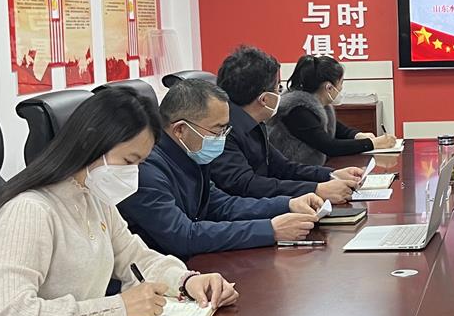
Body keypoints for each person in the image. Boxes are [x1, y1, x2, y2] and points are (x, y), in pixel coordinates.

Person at [0, 87, 240, 316]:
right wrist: (118, 308)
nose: (133, 174)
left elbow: (134, 257)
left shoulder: (93, 198)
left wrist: (187, 281)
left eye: (140, 163)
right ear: (92, 144)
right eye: (128, 161)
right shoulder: (28, 210)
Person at [119, 78, 321, 259]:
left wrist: (288, 204)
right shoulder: (144, 169)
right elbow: (183, 236)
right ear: (180, 129)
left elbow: (223, 205)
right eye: (217, 130)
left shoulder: (189, 154)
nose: (222, 138)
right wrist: (270, 230)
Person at [212, 45, 366, 202]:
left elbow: (283, 167)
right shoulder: (221, 131)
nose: (280, 93)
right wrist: (316, 189)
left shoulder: (255, 124)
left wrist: (330, 175)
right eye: (277, 88)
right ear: (265, 99)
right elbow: (247, 185)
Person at [265, 54, 397, 167]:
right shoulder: (296, 110)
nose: (341, 88)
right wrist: (372, 144)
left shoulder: (319, 104)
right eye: (341, 83)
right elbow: (329, 146)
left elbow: (339, 129)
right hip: (296, 174)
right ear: (328, 87)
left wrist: (358, 135)